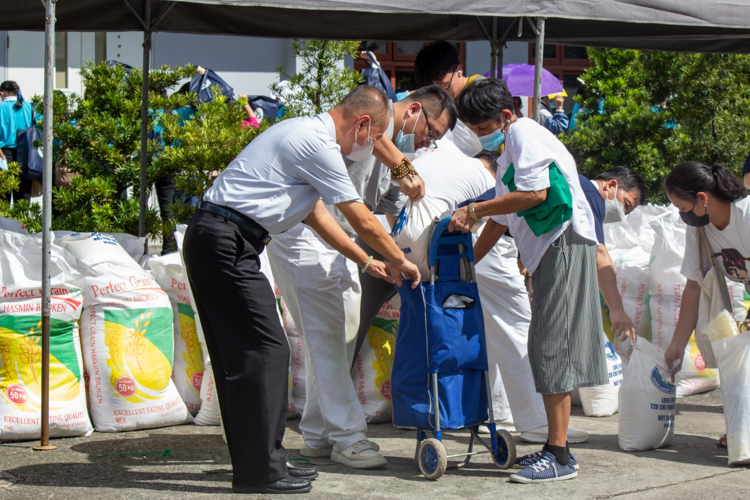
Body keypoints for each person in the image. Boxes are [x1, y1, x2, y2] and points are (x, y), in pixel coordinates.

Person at [182, 85, 421, 494]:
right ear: (362, 124)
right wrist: (400, 260)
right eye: (376, 137)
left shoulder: (304, 138)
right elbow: (361, 219)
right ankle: (263, 469)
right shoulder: (316, 143)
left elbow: (318, 218)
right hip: (224, 242)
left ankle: (264, 463)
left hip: (226, 242)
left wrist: (366, 261)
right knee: (265, 352)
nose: (373, 147)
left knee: (252, 355)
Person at [268, 86, 456, 469]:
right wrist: (405, 170)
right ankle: (348, 436)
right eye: (430, 132)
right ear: (415, 111)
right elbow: (379, 149)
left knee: (341, 336)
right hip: (306, 236)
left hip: (336, 243)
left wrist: (394, 254)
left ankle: (319, 433)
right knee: (327, 337)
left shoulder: (387, 151)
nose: (426, 142)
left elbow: (380, 218)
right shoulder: (365, 121)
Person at [449, 78, 608, 483]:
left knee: (549, 345)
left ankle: (559, 455)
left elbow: (536, 194)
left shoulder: (523, 132)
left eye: (485, 129)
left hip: (563, 242)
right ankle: (554, 447)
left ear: (504, 116)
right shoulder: (507, 157)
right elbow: (501, 222)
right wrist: (464, 267)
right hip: (548, 252)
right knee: (544, 344)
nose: (483, 138)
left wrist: (476, 209)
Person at [663, 161, 750, 449]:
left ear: (702, 198)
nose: (681, 216)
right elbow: (694, 285)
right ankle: (742, 429)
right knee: (736, 363)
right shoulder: (700, 230)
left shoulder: (746, 215)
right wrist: (677, 343)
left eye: (683, 209)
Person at [414, 40, 485, 156]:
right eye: (433, 90)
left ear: (459, 70)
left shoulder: (480, 91)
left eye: (443, 86)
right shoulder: (448, 101)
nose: (440, 94)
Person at [0, 81, 33, 202]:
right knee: (23, 200)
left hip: (4, 155)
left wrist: (2, 158)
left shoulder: (1, 108)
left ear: (2, 93)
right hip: (25, 157)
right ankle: (22, 222)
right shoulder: (29, 107)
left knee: (3, 202)